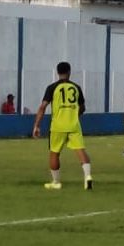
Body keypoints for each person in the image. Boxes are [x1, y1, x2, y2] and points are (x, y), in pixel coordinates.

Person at [33, 61, 93, 189]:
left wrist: (37, 125)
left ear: (57, 72)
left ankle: (56, 182)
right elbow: (82, 108)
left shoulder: (52, 87)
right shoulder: (76, 88)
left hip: (57, 126)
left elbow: (43, 106)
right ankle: (87, 176)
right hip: (74, 125)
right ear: (69, 72)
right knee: (81, 151)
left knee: (54, 153)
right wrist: (74, 115)